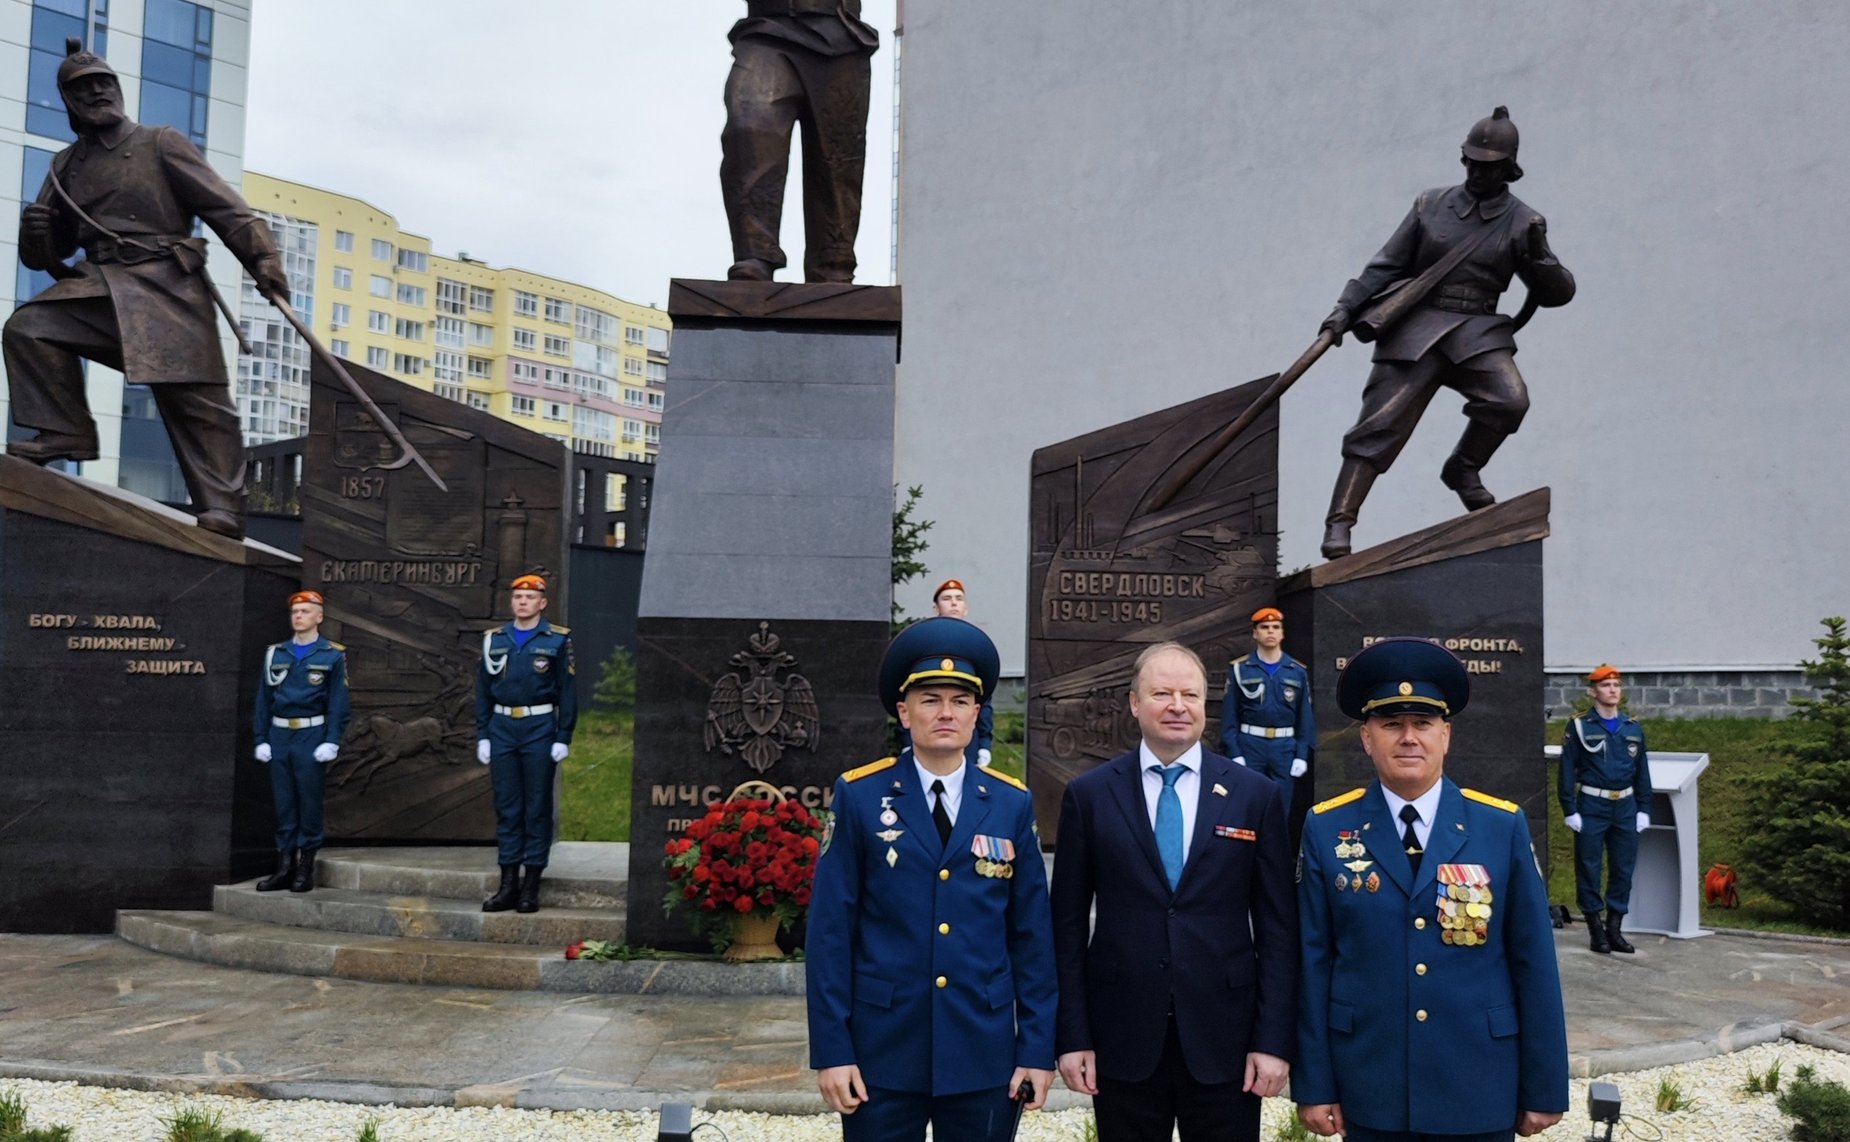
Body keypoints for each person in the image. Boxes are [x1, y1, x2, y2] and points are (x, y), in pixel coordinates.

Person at [5, 38, 289, 540]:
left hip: (164, 287)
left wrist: (262, 256)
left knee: (195, 399)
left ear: (117, 88)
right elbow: (47, 259)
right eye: (83, 88)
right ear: (69, 102)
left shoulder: (161, 141)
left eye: (103, 83)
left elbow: (226, 208)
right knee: (30, 327)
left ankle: (223, 506)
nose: (96, 93)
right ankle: (66, 429)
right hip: (100, 288)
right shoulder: (63, 167)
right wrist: (37, 236)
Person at [1295, 637, 1567, 1141]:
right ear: (1366, 738)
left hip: (1479, 1084)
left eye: (1422, 724)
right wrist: (1314, 1083)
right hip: (1371, 1086)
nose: (1408, 738)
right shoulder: (1327, 829)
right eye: (1391, 724)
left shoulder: (1499, 827)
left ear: (1446, 735)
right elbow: (1314, 962)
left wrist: (1545, 1086)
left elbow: (1533, 960)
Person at [806, 616, 1057, 1141]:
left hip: (983, 1053)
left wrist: (1036, 1049)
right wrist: (833, 1052)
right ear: (904, 712)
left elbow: (1032, 936)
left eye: (960, 701)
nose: (946, 713)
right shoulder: (860, 796)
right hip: (882, 1054)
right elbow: (831, 932)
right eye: (930, 699)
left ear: (976, 714)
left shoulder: (1011, 803)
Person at [1051, 641, 1297, 1142]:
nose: (1177, 705)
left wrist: (1272, 1039)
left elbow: (1278, 929)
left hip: (1226, 1041)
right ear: (1134, 703)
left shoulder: (1256, 796)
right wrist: (1072, 1036)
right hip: (1122, 1039)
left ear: (1206, 705)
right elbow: (1067, 928)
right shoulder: (1090, 796)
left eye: (1190, 694)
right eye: (1161, 693)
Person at [1317, 106, 1576, 559]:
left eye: (1489, 166)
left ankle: (1463, 468)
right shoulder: (1429, 204)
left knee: (1509, 400)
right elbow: (1385, 265)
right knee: (1379, 424)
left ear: (1509, 170)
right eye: (1472, 162)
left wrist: (1541, 257)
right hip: (1416, 326)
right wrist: (1343, 310)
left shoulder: (1524, 221)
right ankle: (1339, 522)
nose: (1478, 171)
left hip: (1477, 330)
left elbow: (1556, 294)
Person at [720, 0, 878, 283]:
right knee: (749, 126)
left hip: (841, 33)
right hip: (768, 28)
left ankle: (833, 264)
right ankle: (754, 253)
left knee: (838, 157)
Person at [474, 574, 576, 914]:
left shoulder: (557, 641)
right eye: (517, 596)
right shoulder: (494, 639)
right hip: (502, 727)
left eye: (529, 597)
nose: (522, 602)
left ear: (542, 603)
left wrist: (563, 735)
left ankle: (531, 884)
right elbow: (482, 691)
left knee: (536, 807)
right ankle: (507, 884)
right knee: (507, 806)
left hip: (539, 727)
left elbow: (568, 692)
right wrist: (483, 734)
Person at [251, 591, 350, 894]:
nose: (298, 616)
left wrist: (331, 740)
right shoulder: (276, 653)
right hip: (280, 735)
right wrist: (261, 738)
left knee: (308, 802)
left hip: (311, 734)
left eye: (306, 611)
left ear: (319, 617)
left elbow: (338, 703)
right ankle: (285, 867)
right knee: (284, 803)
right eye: (295, 611)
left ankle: (305, 867)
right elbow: (263, 701)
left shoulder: (332, 654)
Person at [1559, 664, 1653, 955]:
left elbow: (1642, 772)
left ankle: (1615, 928)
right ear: (1593, 692)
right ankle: (1595, 929)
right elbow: (1566, 770)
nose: (1612, 690)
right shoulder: (1579, 726)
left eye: (1616, 685)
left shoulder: (1632, 727)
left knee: (1623, 868)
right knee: (1589, 867)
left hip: (1625, 805)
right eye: (1605, 685)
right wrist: (1570, 808)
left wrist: (1643, 808)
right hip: (1592, 804)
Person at [1219, 607, 1315, 814]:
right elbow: (1229, 717)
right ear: (1255, 633)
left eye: (1275, 627)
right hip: (1250, 746)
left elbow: (1305, 717)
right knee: (1246, 806)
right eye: (1264, 627)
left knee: (1280, 809)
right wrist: (1235, 754)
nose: (1270, 631)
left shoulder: (1296, 671)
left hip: (1284, 748)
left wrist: (1301, 755)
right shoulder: (1240, 669)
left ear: (1282, 633)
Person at [910, 579, 993, 766]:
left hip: (966, 733)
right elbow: (912, 695)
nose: (954, 603)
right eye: (947, 598)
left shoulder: (977, 646)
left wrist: (984, 744)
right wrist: (907, 741)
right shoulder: (923, 643)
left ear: (966, 608)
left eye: (959, 599)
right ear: (936, 608)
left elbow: (984, 700)